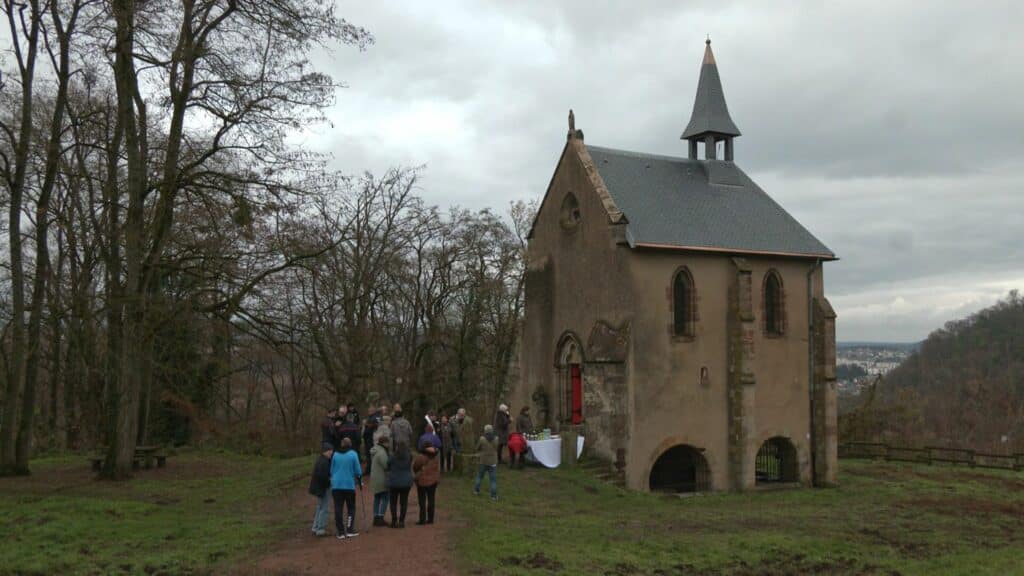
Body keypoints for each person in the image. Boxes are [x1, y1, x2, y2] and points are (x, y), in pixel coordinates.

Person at [330, 437, 363, 539]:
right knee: (351, 508)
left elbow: (331, 470)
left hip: (336, 485)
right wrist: (359, 479)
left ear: (342, 444)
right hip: (349, 485)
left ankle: (340, 532)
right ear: (350, 444)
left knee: (338, 508)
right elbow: (358, 471)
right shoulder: (353, 454)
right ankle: (349, 530)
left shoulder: (335, 454)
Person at [308, 442, 334, 537]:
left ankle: (315, 527)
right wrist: (329, 482)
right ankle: (320, 529)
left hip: (318, 488)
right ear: (325, 451)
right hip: (323, 488)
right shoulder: (324, 462)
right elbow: (323, 477)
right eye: (330, 451)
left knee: (319, 508)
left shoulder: (321, 460)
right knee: (324, 508)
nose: (331, 453)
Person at [387, 441, 414, 528]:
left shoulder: (393, 456)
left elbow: (388, 464)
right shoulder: (409, 456)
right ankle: (401, 521)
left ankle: (394, 521)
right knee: (404, 502)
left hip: (394, 481)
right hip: (406, 482)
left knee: (393, 503)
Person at [413, 445, 441, 525]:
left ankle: (422, 519)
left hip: (422, 481)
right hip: (433, 481)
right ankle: (430, 519)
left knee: (422, 501)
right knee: (431, 500)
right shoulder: (436, 459)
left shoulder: (420, 457)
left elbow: (415, 467)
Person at [473, 424, 499, 500]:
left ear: (485, 431)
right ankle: (493, 496)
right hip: (493, 462)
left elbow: (477, 447)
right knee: (493, 480)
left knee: (479, 477)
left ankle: (476, 491)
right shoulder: (496, 439)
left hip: (483, 461)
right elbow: (496, 448)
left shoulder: (482, 439)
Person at [369, 435, 391, 526]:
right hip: (382, 478)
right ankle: (381, 517)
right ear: (384, 443)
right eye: (387, 443)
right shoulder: (382, 452)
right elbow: (386, 465)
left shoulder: (374, 451)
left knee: (377, 498)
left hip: (374, 477)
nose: (389, 444)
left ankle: (376, 517)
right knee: (385, 498)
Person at [363, 406, 380, 472]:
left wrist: (367, 424)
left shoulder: (376, 417)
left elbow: (377, 425)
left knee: (370, 454)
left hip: (371, 438)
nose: (368, 412)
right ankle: (369, 468)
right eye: (368, 411)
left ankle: (370, 469)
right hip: (367, 437)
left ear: (373, 411)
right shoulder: (370, 417)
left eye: (370, 411)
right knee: (368, 454)